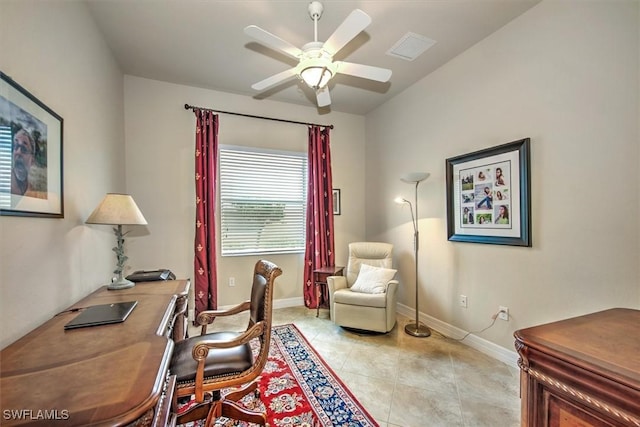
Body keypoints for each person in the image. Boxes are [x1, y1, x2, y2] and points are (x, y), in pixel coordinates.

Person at [11, 128, 36, 196]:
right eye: (16, 147)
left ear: (32, 161)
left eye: (24, 149)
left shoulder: (34, 193)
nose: (18, 152)